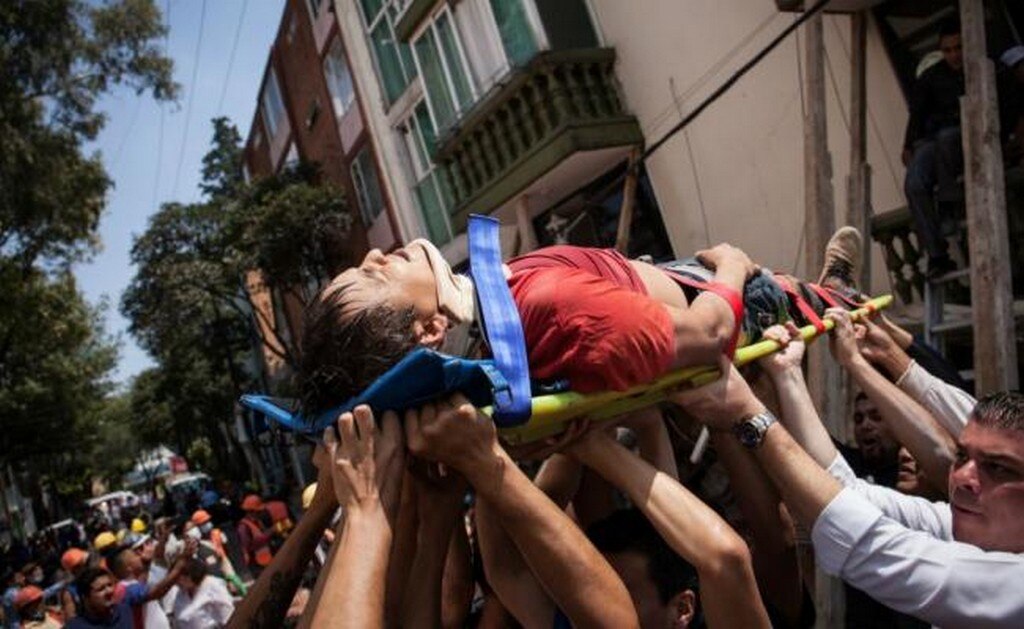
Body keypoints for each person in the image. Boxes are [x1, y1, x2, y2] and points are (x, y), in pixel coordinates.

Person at [299, 224, 865, 417]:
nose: (373, 256)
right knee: (799, 292)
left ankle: (825, 285)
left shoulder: (506, 311)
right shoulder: (544, 306)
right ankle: (831, 290)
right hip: (734, 296)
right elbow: (710, 335)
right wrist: (735, 266)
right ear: (428, 332)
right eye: (371, 278)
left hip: (663, 282)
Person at [671, 319, 1024, 627]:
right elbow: (847, 492)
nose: (962, 477)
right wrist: (788, 374)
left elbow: (869, 544)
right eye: (962, 456)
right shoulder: (957, 523)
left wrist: (748, 413)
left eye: (997, 468)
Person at [902, 17, 965, 277]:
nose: (954, 55)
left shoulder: (981, 67)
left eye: (957, 48)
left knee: (947, 138)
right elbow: (917, 114)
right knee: (914, 183)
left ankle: (949, 207)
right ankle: (937, 255)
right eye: (948, 50)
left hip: (964, 137)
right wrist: (907, 145)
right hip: (935, 142)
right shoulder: (932, 76)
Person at [170, 559, 234, 629]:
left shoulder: (212, 585)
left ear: (188, 575)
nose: (175, 583)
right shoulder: (181, 593)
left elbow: (228, 617)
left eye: (177, 578)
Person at [235, 497, 272, 578]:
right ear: (252, 511)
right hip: (256, 564)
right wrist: (267, 535)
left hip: (267, 560)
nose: (261, 513)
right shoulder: (243, 527)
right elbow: (247, 546)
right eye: (258, 511)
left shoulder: (258, 522)